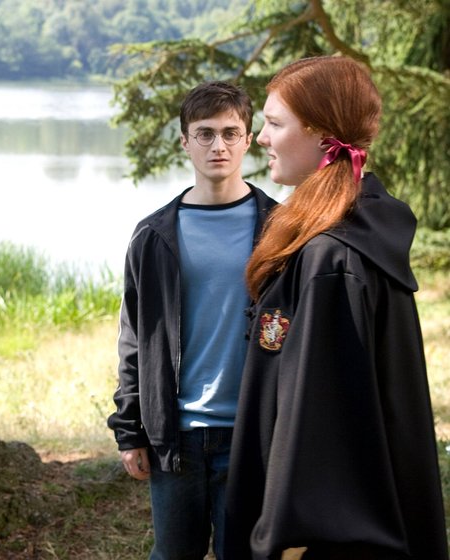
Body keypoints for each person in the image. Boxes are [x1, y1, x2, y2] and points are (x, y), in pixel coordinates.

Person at [224, 56, 448, 560]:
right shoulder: (343, 230)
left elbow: (324, 421)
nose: (261, 138)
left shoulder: (333, 258)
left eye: (275, 123)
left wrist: (288, 540)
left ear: (322, 135)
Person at [107, 81, 278, 560]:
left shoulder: (280, 230)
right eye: (205, 134)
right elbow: (135, 339)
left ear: (248, 140)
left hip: (252, 434)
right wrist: (130, 430)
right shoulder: (154, 235)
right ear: (185, 141)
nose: (218, 145)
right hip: (176, 435)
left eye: (230, 133)